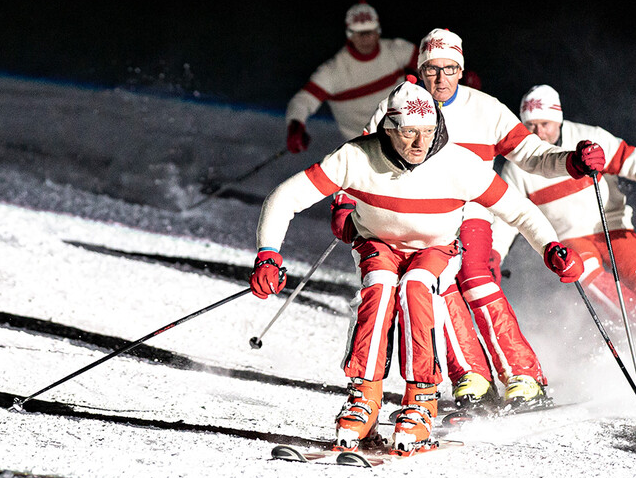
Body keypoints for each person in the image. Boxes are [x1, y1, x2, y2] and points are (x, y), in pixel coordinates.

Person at [249, 78, 589, 456]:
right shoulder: (357, 156)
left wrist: (552, 248)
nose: (419, 143)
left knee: (416, 288)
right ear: (389, 128)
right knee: (378, 287)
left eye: (428, 132)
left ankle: (420, 403)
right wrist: (268, 254)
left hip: (435, 246)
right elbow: (285, 197)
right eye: (409, 132)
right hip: (377, 243)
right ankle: (364, 400)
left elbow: (519, 210)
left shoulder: (459, 163)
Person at [362, 29, 607, 413]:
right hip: (417, 214)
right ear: (420, 70)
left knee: (474, 276)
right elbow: (359, 157)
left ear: (461, 70)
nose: (440, 79)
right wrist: (345, 206)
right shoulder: (399, 105)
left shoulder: (486, 109)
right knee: (434, 285)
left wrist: (571, 162)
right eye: (431, 70)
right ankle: (471, 376)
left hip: (472, 209)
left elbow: (532, 154)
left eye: (449, 69)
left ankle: (522, 375)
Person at [490, 84, 636, 321]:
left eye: (545, 124)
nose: (538, 133)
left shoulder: (588, 139)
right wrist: (493, 254)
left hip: (609, 225)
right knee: (598, 284)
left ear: (558, 120)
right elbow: (507, 215)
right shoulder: (519, 165)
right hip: (570, 237)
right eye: (530, 125)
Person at [283, 1, 418, 154]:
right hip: (364, 148)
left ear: (378, 31)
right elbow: (303, 100)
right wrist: (296, 125)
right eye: (360, 33)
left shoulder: (397, 50)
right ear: (349, 34)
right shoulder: (333, 72)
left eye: (370, 32)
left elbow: (430, 63)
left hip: (407, 134)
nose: (366, 39)